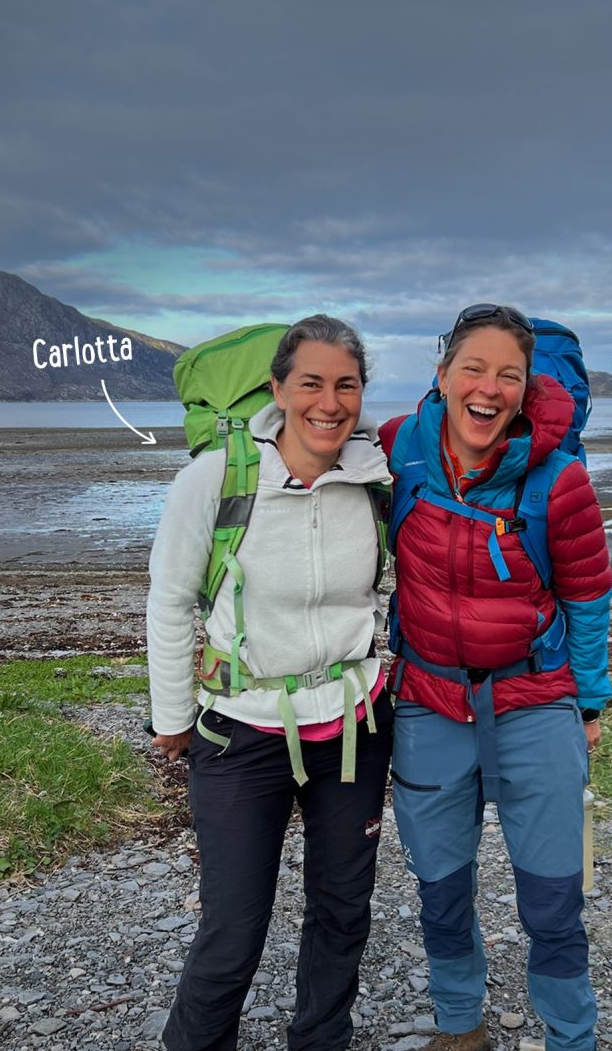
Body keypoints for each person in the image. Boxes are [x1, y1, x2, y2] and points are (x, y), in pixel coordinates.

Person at [147, 315, 394, 1051]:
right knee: (233, 928)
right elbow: (171, 599)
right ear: (278, 389)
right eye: (311, 383)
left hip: (354, 725)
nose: (329, 402)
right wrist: (171, 716)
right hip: (241, 729)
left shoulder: (377, 478)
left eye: (346, 385)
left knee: (343, 911)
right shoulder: (217, 478)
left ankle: (321, 1041)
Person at [380, 304, 612, 1051]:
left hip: (535, 700)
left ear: (527, 388)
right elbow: (307, 449)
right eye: (473, 369)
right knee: (441, 890)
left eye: (508, 375)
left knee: (553, 900)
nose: (488, 388)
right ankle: (460, 1026)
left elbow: (588, 597)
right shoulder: (399, 450)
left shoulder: (560, 480)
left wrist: (589, 704)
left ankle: (571, 1037)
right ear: (442, 375)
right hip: (428, 700)